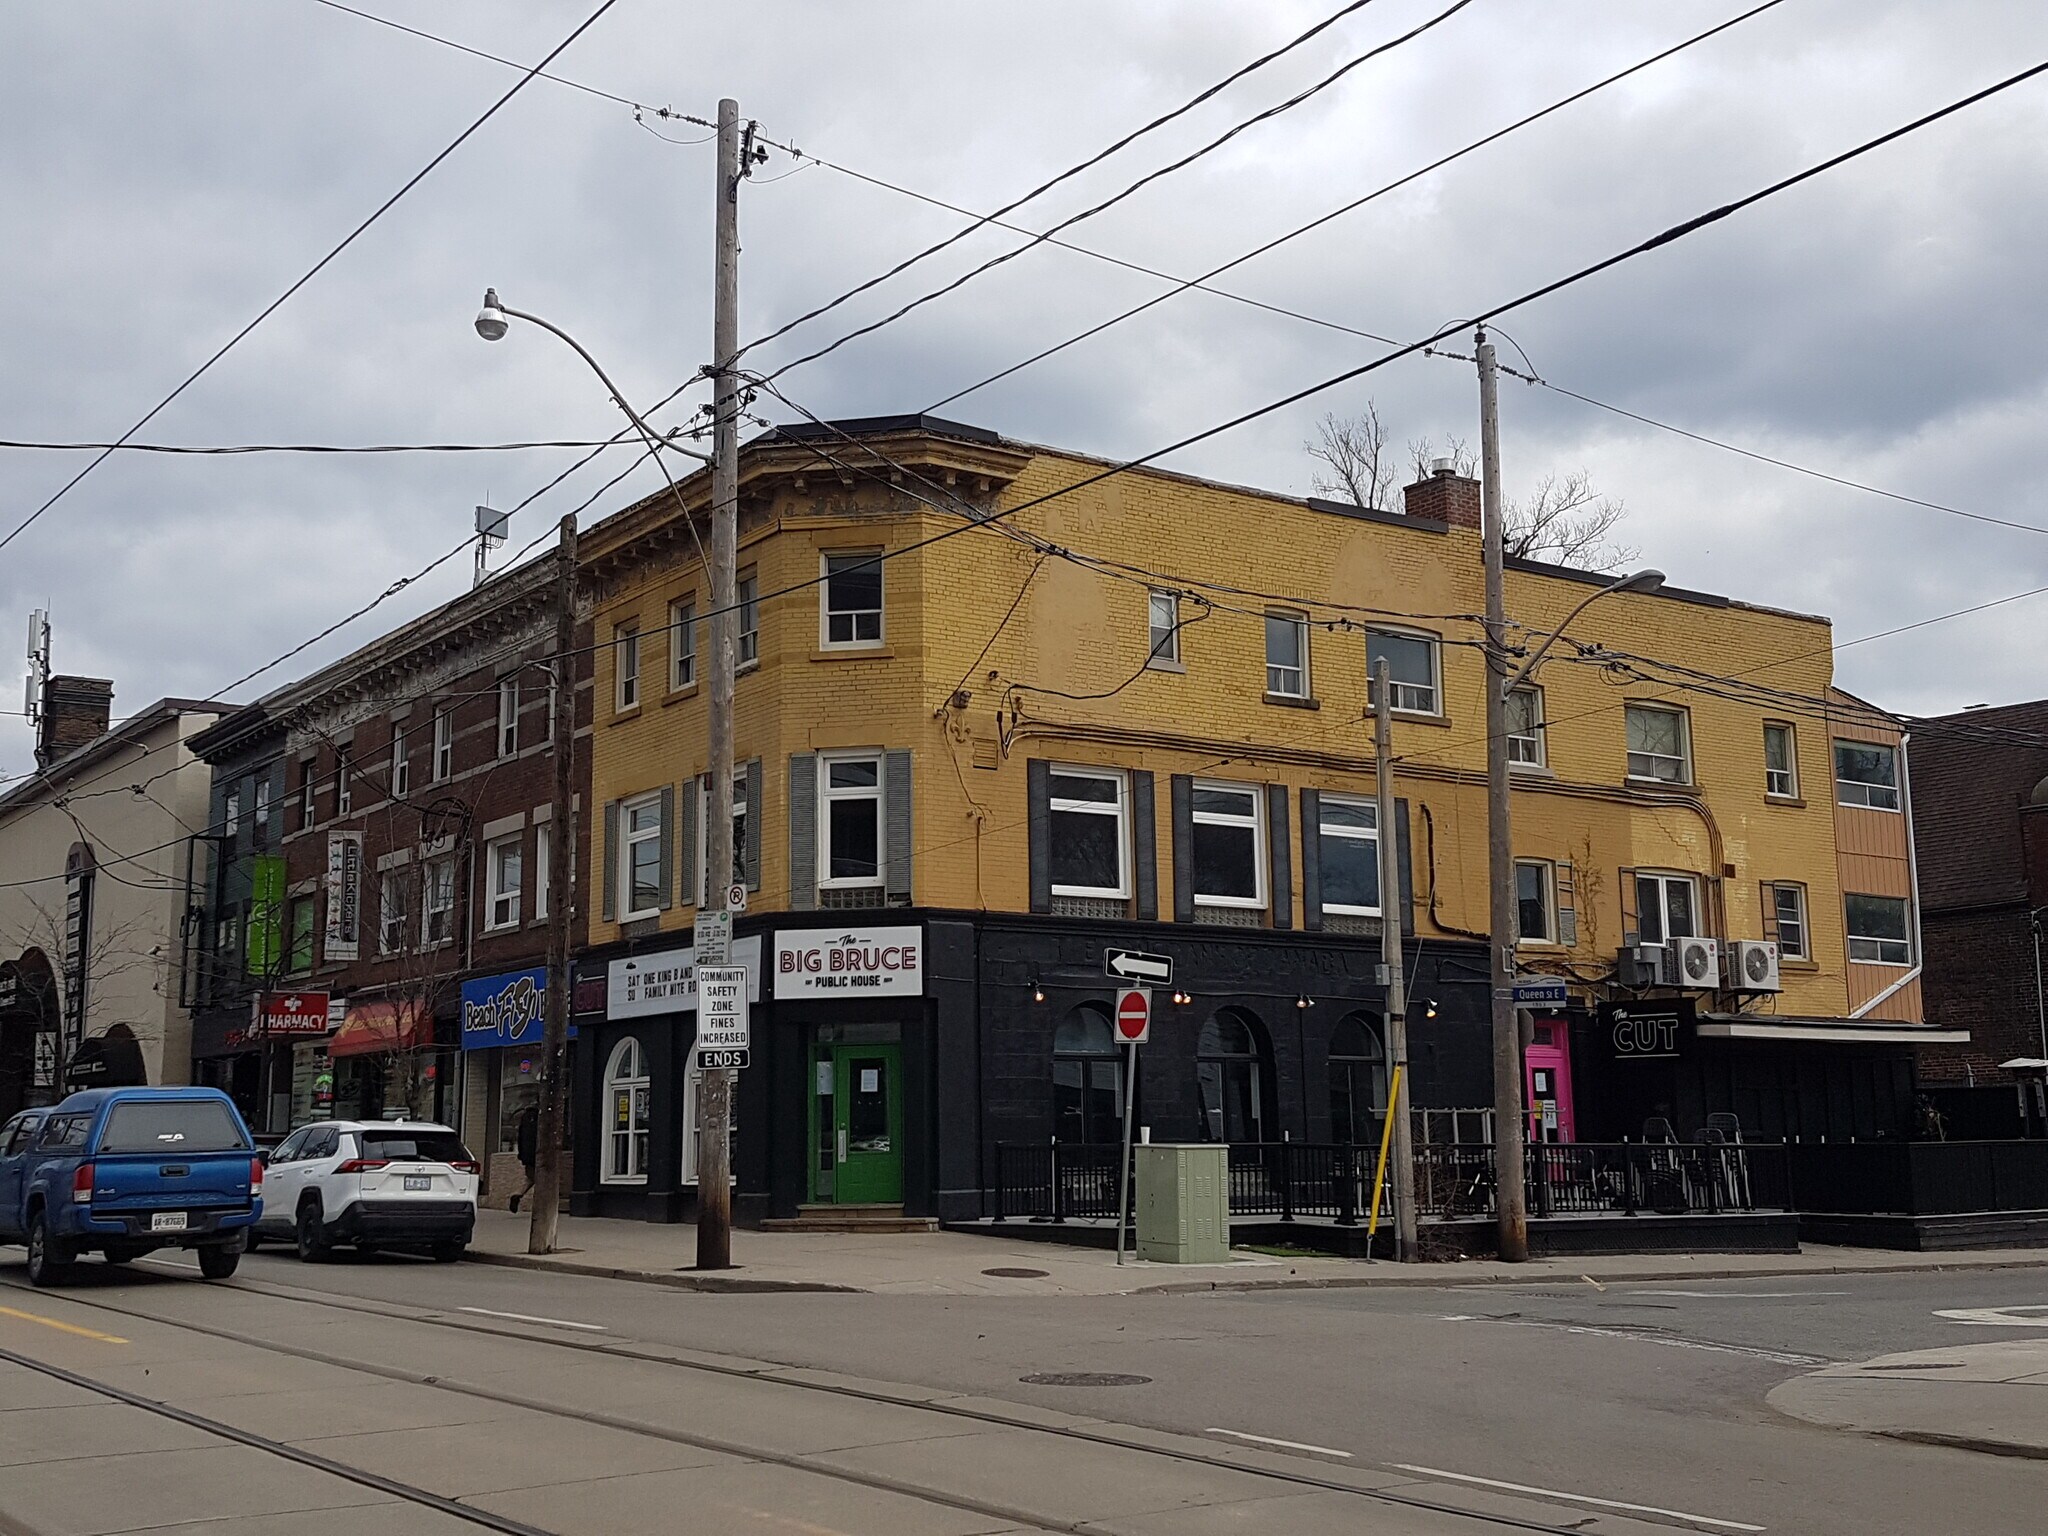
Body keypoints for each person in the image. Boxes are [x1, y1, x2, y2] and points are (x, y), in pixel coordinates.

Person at [508, 1103, 538, 1212]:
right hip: (538, 1153)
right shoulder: (541, 1117)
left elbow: (520, 1137)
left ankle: (518, 1194)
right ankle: (540, 1205)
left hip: (527, 1154)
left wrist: (521, 1154)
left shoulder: (525, 1117)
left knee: (530, 1178)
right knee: (541, 1180)